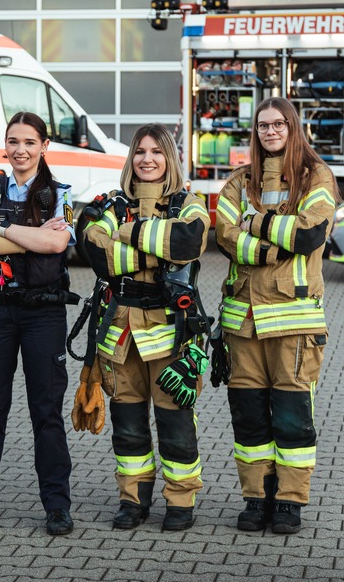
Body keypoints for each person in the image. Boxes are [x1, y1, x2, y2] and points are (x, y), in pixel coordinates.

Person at [215, 97, 338, 534]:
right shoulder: (240, 180)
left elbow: (309, 232)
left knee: (291, 417)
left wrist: (255, 223)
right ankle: (256, 498)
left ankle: (289, 502)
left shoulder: (316, 176)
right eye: (263, 125)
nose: (270, 131)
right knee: (248, 416)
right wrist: (271, 244)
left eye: (278, 124)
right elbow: (224, 235)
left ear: (293, 127)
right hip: (242, 322)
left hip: (294, 323)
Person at [81, 123, 210, 531]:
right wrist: (156, 254)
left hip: (171, 331)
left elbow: (189, 241)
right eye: (140, 151)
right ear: (131, 157)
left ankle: (181, 499)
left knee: (175, 421)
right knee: (128, 422)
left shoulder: (189, 203)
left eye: (156, 151)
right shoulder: (109, 203)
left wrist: (127, 235)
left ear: (169, 157)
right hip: (119, 333)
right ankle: (133, 498)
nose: (147, 158)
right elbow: (93, 249)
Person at [0, 111, 77, 536]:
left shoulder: (58, 192)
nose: (20, 149)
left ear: (44, 146)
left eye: (29, 142)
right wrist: (31, 238)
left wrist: (3, 229)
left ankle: (57, 506)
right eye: (13, 141)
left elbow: (56, 242)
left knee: (46, 412)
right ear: (5, 145)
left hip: (44, 314)